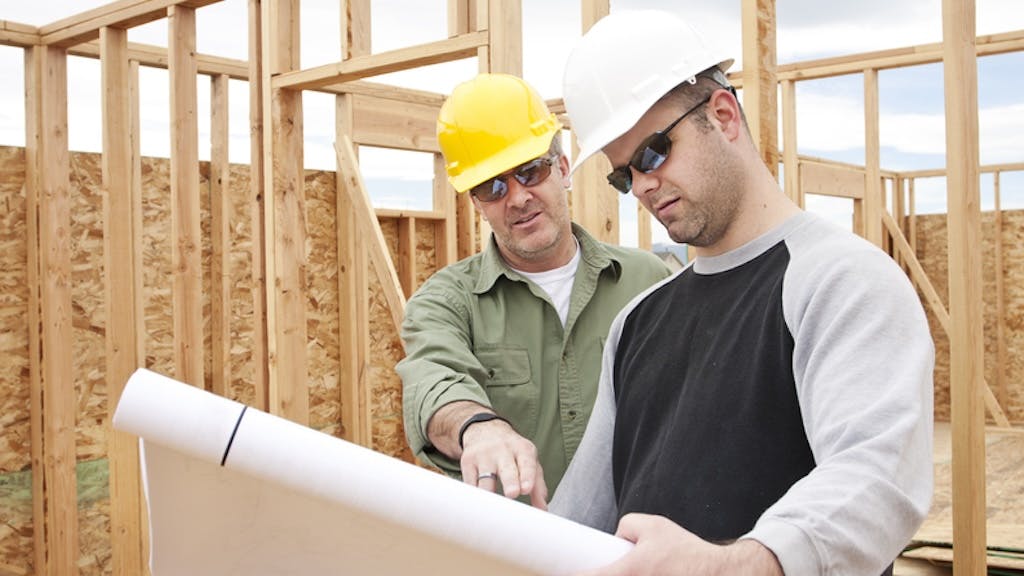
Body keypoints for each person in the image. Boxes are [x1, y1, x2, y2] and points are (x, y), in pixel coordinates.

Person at [549, 10, 934, 576]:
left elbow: (874, 477)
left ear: (723, 115)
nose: (644, 185)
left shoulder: (840, 281)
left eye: (655, 152)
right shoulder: (637, 322)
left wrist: (728, 566)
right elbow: (579, 517)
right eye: (624, 175)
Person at [397, 73, 671, 509]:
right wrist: (478, 427)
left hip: (636, 547)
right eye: (494, 186)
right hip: (514, 553)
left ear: (562, 169)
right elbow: (434, 382)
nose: (518, 198)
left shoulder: (647, 281)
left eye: (531, 171)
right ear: (477, 203)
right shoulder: (446, 302)